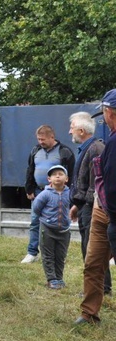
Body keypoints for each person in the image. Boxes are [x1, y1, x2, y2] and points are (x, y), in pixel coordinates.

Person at [76, 88, 116, 325]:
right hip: (102, 210)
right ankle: (89, 313)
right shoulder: (110, 139)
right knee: (93, 263)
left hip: (113, 212)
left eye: (103, 113)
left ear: (110, 112)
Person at [67, 112, 110, 293]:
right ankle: (98, 287)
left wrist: (89, 206)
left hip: (93, 207)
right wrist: (77, 204)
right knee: (88, 247)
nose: (70, 132)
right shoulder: (86, 148)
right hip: (85, 205)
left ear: (82, 130)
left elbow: (97, 184)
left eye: (72, 128)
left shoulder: (95, 148)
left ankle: (101, 288)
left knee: (94, 250)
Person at [22, 125, 74, 263]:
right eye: (38, 139)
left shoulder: (65, 152)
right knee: (34, 221)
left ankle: (58, 252)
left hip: (58, 192)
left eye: (43, 139)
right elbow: (30, 169)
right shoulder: (35, 150)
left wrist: (67, 193)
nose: (40, 142)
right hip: (39, 191)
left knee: (57, 221)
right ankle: (32, 252)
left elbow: (72, 175)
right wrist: (29, 189)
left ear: (52, 137)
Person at [32, 165, 72, 289]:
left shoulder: (70, 194)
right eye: (54, 175)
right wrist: (46, 220)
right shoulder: (45, 194)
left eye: (61, 174)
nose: (58, 176)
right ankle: (51, 279)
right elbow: (36, 208)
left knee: (61, 255)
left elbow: (74, 206)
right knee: (48, 255)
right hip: (47, 229)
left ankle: (59, 278)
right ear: (49, 179)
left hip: (64, 230)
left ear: (67, 179)